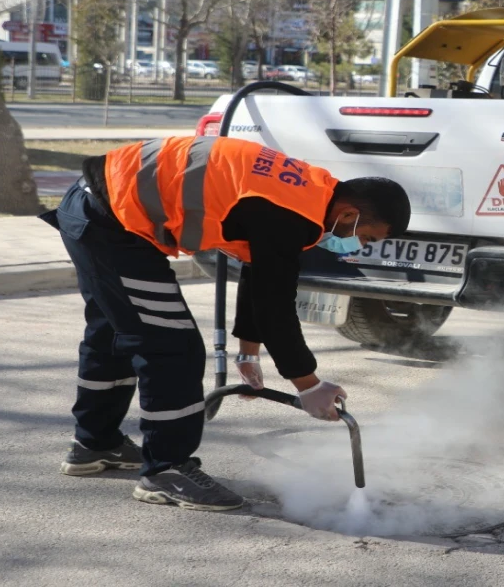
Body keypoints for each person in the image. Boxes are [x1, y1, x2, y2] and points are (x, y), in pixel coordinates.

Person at [40, 136, 411, 512]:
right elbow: (276, 308)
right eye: (365, 237)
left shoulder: (307, 195)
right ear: (349, 214)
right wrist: (308, 384)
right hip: (111, 220)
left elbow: (257, 273)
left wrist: (248, 353)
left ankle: (95, 444)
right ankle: (167, 470)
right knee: (172, 345)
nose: (359, 246)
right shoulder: (292, 215)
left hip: (96, 206)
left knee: (115, 332)